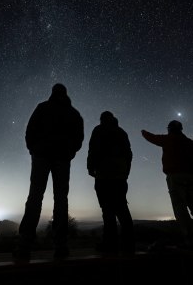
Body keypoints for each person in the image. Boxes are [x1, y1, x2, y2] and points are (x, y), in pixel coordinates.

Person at [13, 83, 84, 261]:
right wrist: (69, 152)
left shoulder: (42, 107)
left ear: (52, 93)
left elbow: (30, 130)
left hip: (42, 157)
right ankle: (60, 245)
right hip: (60, 159)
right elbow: (78, 138)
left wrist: (34, 149)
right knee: (61, 199)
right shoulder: (74, 113)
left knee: (35, 197)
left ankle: (24, 244)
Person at [141, 120, 193, 250]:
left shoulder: (167, 139)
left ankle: (190, 238)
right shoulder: (189, 142)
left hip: (175, 176)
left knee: (180, 208)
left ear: (170, 129)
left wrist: (143, 132)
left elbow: (152, 137)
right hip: (190, 177)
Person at [87, 111, 135, 256]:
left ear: (102, 119)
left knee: (107, 209)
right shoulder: (121, 132)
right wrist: (126, 172)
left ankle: (110, 243)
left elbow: (93, 150)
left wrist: (90, 167)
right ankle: (128, 243)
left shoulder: (98, 130)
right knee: (121, 207)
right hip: (120, 174)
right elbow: (129, 154)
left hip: (104, 172)